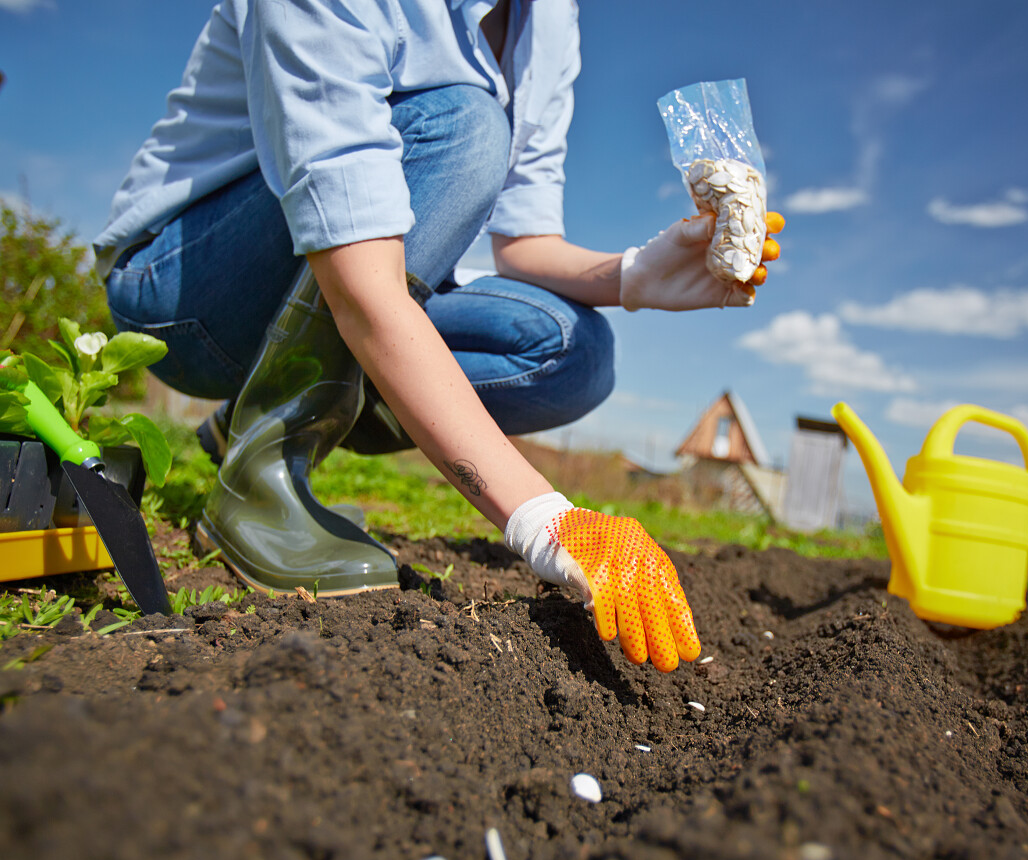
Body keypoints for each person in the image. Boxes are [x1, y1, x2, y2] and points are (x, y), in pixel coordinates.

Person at [93, 0, 782, 673]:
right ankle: (260, 474)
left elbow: (526, 244)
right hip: (185, 288)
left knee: (573, 351)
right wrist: (544, 518)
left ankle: (237, 423)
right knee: (465, 126)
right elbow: (361, 289)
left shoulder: (550, 18)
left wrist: (637, 275)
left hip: (361, 272)